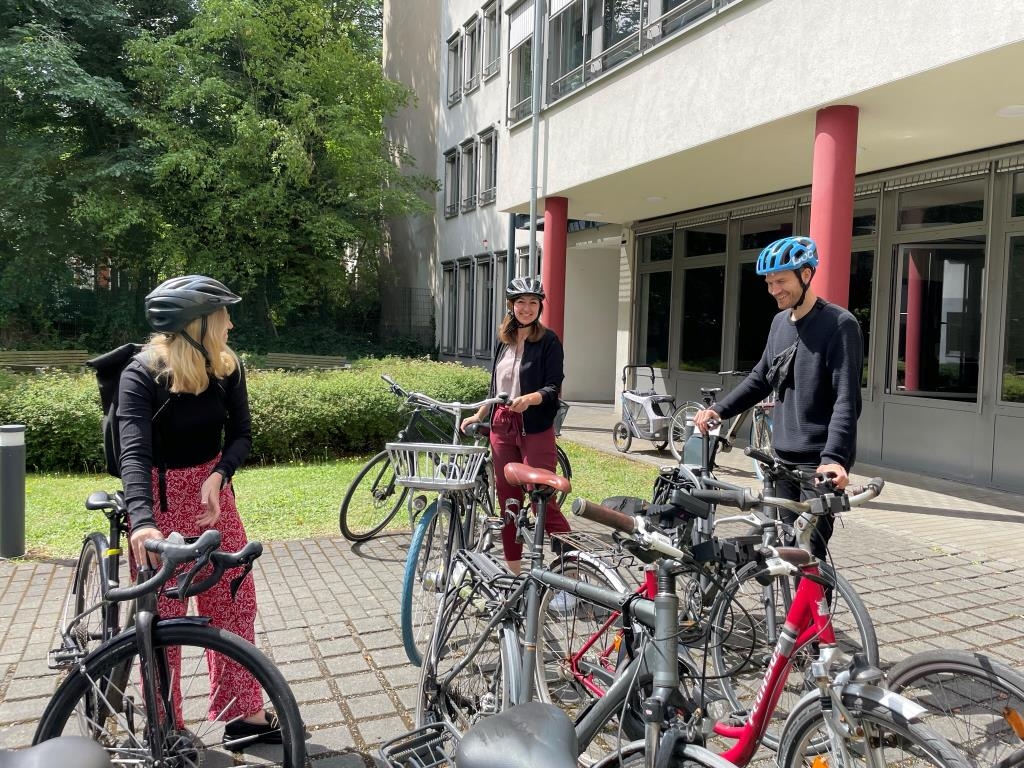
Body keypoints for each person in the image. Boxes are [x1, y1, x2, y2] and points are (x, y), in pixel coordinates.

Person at [118, 275, 280, 747]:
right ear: (199, 324)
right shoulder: (141, 374)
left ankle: (241, 716)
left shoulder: (228, 368)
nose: (231, 323)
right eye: (223, 314)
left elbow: (242, 434)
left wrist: (219, 474)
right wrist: (142, 520)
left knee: (234, 601)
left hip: (213, 498)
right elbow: (134, 454)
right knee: (163, 620)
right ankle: (166, 725)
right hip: (158, 502)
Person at [693, 236, 863, 559]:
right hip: (781, 461)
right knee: (784, 552)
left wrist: (835, 459)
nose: (773, 290)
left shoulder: (840, 325)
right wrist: (719, 410)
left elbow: (846, 400)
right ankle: (790, 612)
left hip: (818, 464)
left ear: (807, 274)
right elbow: (760, 378)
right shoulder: (778, 325)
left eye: (781, 281)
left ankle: (815, 612)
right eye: (769, 283)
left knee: (808, 554)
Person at [460, 276, 571, 575]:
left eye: (533, 302)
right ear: (510, 306)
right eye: (520, 302)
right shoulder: (503, 341)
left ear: (539, 307)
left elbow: (553, 387)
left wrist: (531, 398)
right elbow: (495, 387)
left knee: (541, 499)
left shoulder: (548, 340)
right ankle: (515, 576)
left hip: (534, 427)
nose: (526, 308)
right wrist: (480, 414)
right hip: (501, 427)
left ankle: (575, 572)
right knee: (508, 502)